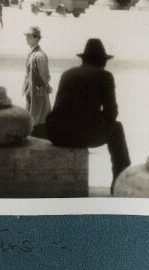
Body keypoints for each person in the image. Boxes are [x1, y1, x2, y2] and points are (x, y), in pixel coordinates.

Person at [46, 38, 130, 193]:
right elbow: (112, 113)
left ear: (84, 59)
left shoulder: (67, 74)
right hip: (84, 136)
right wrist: (99, 119)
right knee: (117, 129)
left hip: (59, 135)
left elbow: (58, 108)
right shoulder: (105, 76)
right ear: (101, 61)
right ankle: (119, 182)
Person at [22, 26, 52, 138]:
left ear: (36, 38)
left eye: (29, 37)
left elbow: (45, 76)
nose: (27, 39)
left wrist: (43, 87)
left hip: (38, 93)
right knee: (32, 117)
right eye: (27, 37)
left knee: (40, 118)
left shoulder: (39, 56)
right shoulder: (32, 53)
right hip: (32, 92)